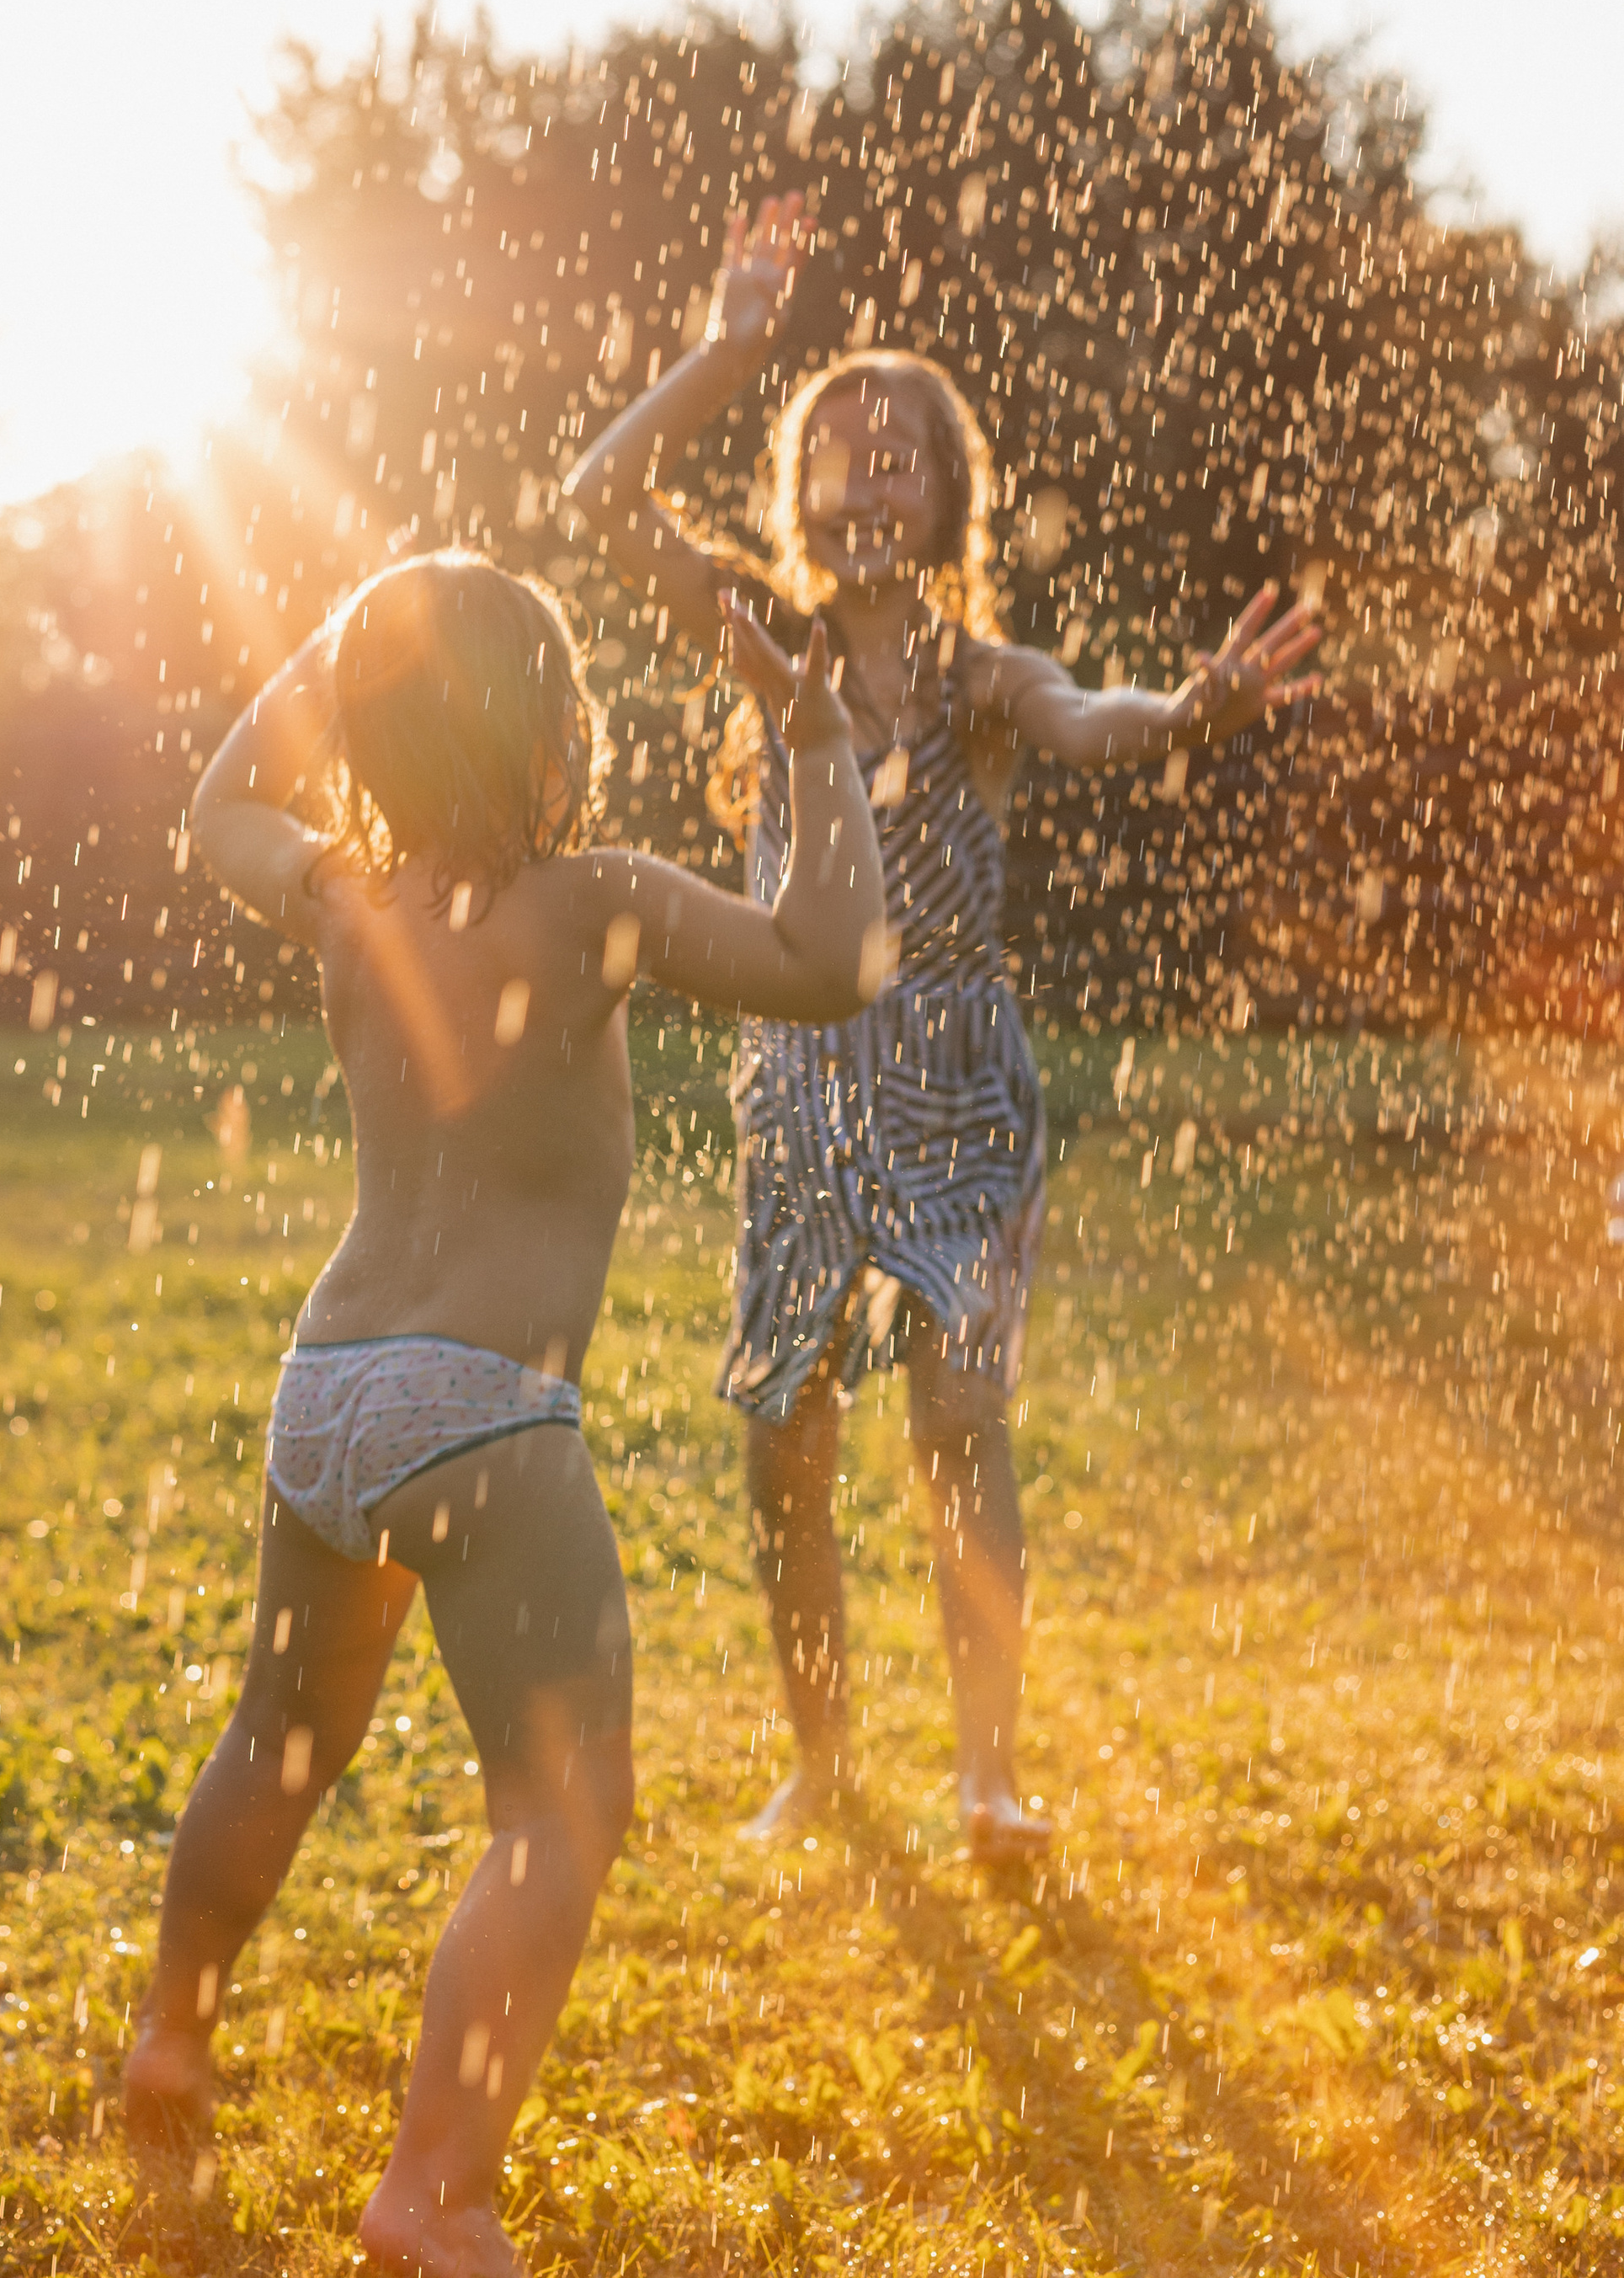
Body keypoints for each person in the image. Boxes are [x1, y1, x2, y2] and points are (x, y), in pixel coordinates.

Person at [123, 550, 884, 2278]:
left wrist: (329, 651)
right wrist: (816, 736)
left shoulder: (340, 899)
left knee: (278, 1735)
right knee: (560, 1804)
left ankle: (173, 2035)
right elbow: (832, 959)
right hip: (482, 1411)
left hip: (326, 1389)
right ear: (552, 728)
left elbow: (211, 802)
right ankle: (434, 2194)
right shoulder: (584, 895)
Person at [562, 195, 1320, 1859]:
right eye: (832, 453)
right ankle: (820, 1763)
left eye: (896, 455)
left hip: (963, 1088)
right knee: (785, 1446)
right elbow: (592, 500)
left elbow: (1090, 718)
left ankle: (983, 1777)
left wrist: (1191, 704)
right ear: (798, 495)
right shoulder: (757, 639)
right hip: (808, 1083)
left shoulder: (980, 675)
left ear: (946, 499)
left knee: (956, 1438)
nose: (863, 479)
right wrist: (722, 349)